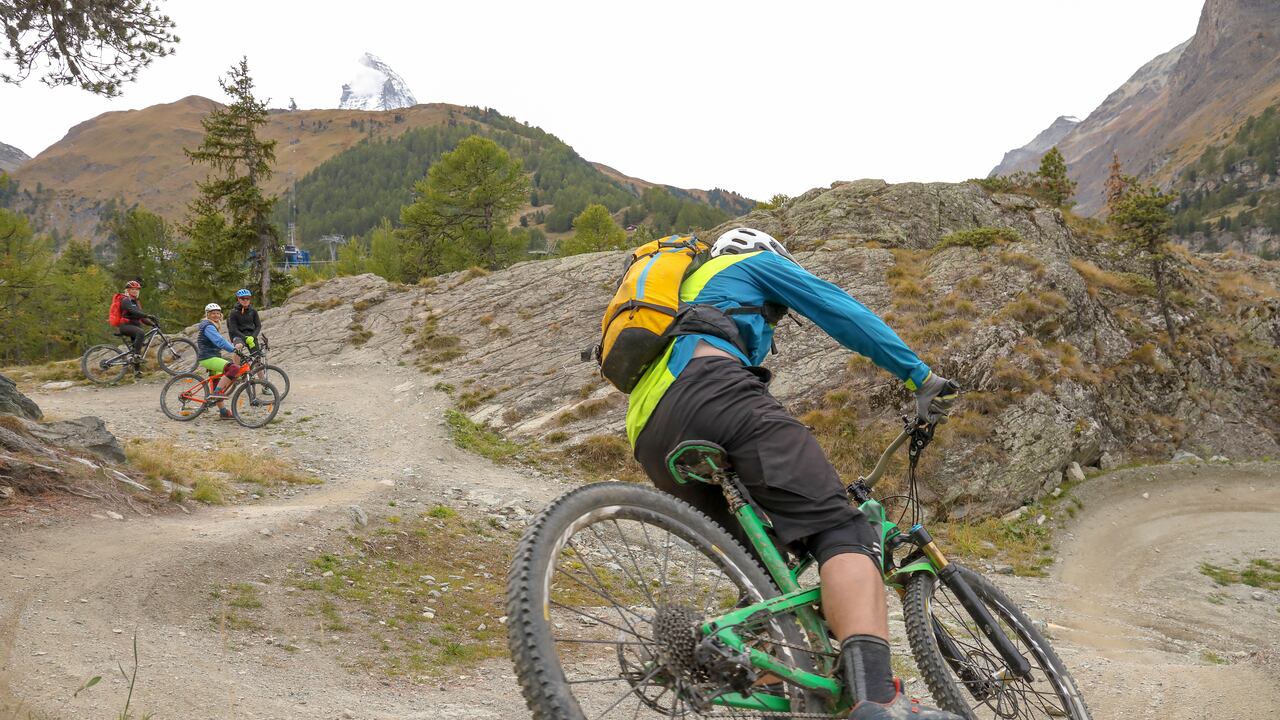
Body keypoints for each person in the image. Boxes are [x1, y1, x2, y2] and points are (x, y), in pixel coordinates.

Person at [628, 227, 960, 719]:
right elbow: (839, 310)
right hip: (715, 391)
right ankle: (877, 699)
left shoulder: (675, 297)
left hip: (648, 429)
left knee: (767, 566)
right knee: (842, 530)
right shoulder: (747, 264)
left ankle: (773, 681)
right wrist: (920, 376)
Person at [196, 303, 246, 420]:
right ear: (207, 315)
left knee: (216, 382)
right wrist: (233, 349)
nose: (216, 315)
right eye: (213, 313)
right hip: (207, 358)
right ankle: (217, 393)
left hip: (212, 357)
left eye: (218, 313)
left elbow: (220, 341)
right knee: (233, 368)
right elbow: (219, 341)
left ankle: (223, 411)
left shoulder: (213, 326)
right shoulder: (208, 326)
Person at [115, 280, 158, 377]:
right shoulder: (125, 300)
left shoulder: (135, 302)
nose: (135, 291)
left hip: (134, 326)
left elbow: (141, 317)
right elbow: (132, 311)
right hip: (125, 326)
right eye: (132, 289)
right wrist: (148, 315)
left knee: (136, 348)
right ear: (128, 290)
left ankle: (137, 372)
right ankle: (136, 357)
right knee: (141, 333)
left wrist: (153, 324)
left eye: (136, 289)